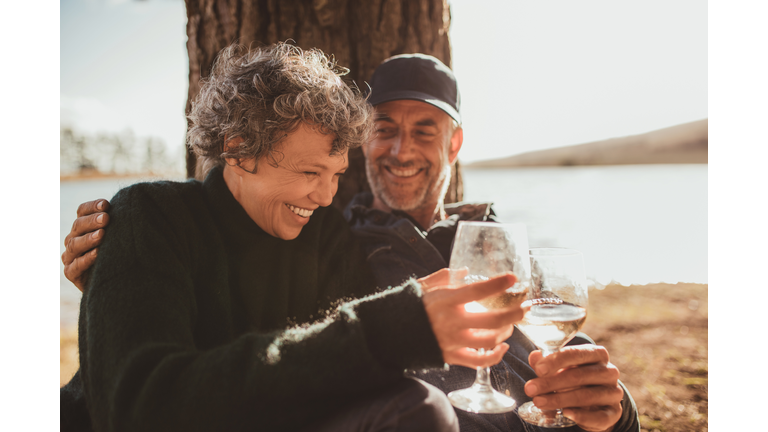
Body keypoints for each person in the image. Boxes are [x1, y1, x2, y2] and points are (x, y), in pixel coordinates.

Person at [64, 52, 641, 432]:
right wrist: (117, 282)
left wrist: (612, 413)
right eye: (385, 128)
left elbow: (545, 341)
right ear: (239, 151)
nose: (323, 196)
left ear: (455, 143)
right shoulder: (337, 239)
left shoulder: (479, 238)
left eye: (335, 176)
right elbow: (137, 397)